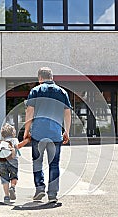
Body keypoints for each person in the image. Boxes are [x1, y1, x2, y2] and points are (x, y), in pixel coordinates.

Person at [23, 67, 72, 203]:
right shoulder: (62, 92)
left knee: (37, 162)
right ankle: (52, 194)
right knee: (54, 164)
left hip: (38, 133)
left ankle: (39, 189)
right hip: (55, 134)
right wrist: (66, 131)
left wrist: (26, 131)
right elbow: (67, 113)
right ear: (52, 77)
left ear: (40, 78)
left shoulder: (35, 91)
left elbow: (29, 112)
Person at [0, 123, 30, 203]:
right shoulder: (14, 140)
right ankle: (13, 187)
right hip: (13, 162)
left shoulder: (1, 142)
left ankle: (6, 196)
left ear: (2, 133)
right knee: (14, 177)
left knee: (4, 179)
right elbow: (18, 146)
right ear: (13, 133)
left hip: (2, 162)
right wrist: (26, 141)